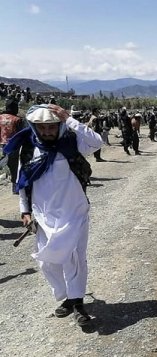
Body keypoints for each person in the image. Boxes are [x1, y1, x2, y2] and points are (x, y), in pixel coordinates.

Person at [3, 104, 103, 326]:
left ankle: (77, 303)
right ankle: (67, 296)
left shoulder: (71, 142)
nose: (47, 132)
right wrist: (25, 210)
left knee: (75, 258)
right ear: (34, 127)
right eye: (42, 128)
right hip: (43, 214)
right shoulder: (29, 148)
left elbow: (97, 142)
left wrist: (69, 119)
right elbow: (23, 181)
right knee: (48, 261)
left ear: (59, 126)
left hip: (74, 210)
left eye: (51, 126)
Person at [0, 97, 27, 193]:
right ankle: (14, 187)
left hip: (1, 145)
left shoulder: (0, 117)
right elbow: (21, 133)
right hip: (13, 146)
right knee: (14, 167)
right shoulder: (17, 120)